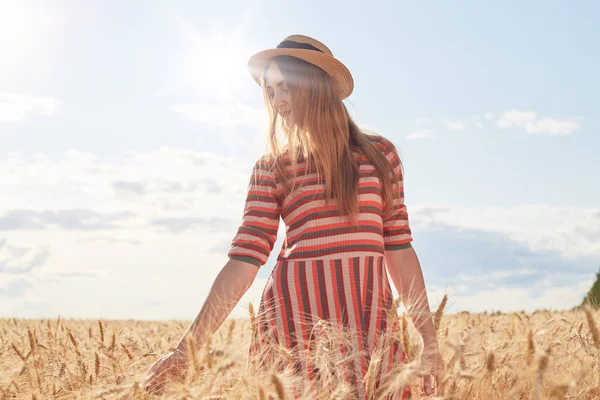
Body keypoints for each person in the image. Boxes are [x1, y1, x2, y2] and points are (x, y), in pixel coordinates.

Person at [142, 34, 444, 399]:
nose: (278, 101)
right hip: (294, 333)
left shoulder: (380, 155)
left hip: (372, 331)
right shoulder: (272, 167)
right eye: (270, 91)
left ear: (317, 85)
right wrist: (184, 350)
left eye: (285, 87)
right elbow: (244, 261)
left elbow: (398, 248)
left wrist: (430, 343)